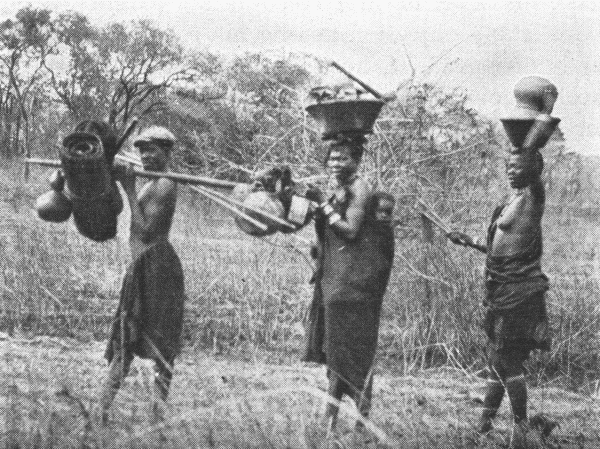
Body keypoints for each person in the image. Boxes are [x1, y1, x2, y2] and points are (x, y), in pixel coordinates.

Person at [445, 91, 556, 435]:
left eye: (519, 165)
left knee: (506, 361)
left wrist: (547, 110)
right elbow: (501, 249)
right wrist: (471, 242)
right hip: (502, 288)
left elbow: (528, 151)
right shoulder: (511, 200)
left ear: (535, 168)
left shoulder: (533, 197)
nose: (513, 170)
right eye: (509, 165)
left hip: (519, 292)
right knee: (498, 363)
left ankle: (522, 429)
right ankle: (483, 427)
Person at [302, 134, 395, 436]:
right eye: (331, 157)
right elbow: (327, 232)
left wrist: (321, 206)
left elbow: (351, 231)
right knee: (336, 352)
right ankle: (333, 421)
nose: (335, 163)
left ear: (357, 161)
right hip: (337, 283)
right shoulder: (341, 191)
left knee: (352, 353)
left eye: (343, 158)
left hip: (353, 287)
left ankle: (358, 420)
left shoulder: (360, 189)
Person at [100, 126, 185, 424]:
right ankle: (101, 414)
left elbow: (147, 230)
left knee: (162, 347)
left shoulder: (164, 184)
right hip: (141, 266)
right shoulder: (150, 182)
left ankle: (157, 419)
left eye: (153, 150)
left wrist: (129, 188)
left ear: (167, 152)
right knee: (125, 339)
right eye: (142, 150)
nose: (146, 156)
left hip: (158, 268)